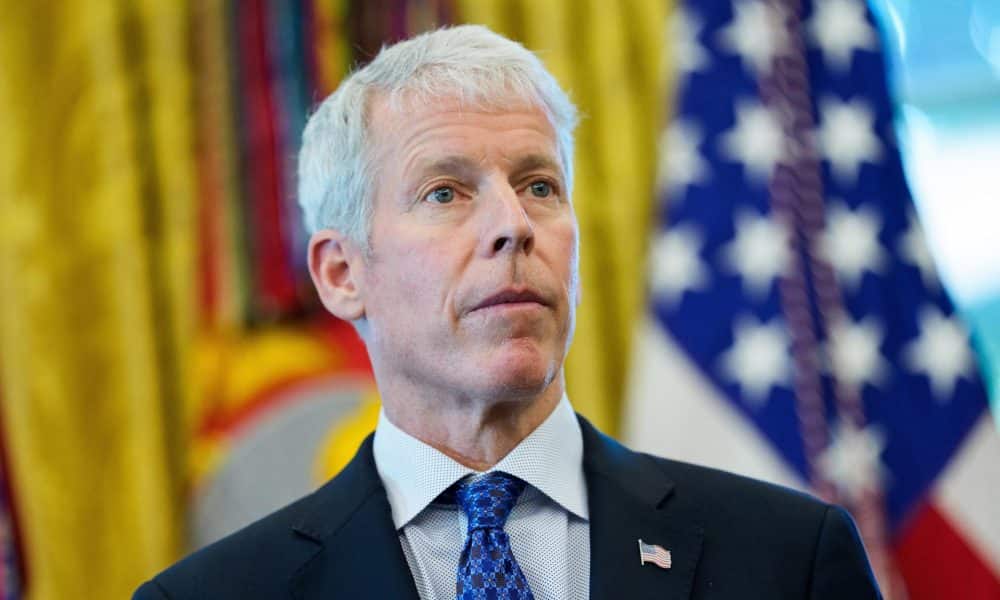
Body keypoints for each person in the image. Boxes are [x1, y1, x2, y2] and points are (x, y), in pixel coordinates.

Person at [134, 25, 881, 599]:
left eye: (539, 186)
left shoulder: (789, 557)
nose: (513, 223)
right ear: (341, 273)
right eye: (444, 193)